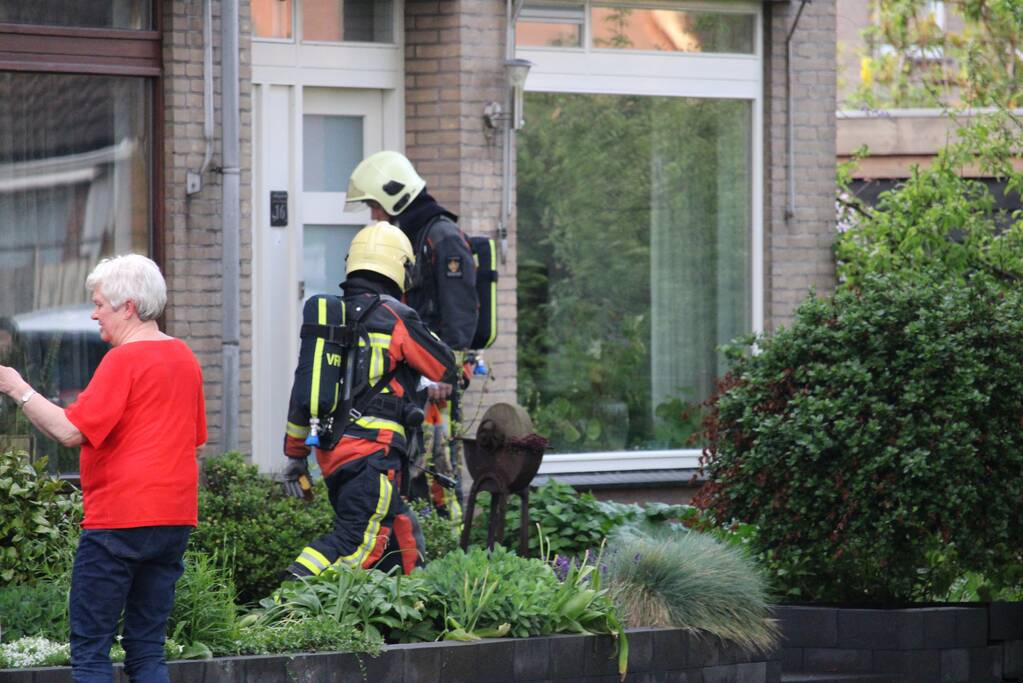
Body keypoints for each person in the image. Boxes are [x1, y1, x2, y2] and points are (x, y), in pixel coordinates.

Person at [0, 254, 206, 683]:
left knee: (91, 650)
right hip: (173, 518)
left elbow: (70, 431)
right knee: (148, 650)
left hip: (119, 520)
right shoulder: (184, 357)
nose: (94, 313)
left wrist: (16, 387)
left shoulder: (123, 360)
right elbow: (196, 438)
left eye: (99, 304)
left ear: (128, 306)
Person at [281, 221, 458, 577]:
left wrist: (296, 457)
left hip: (333, 454)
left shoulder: (333, 320)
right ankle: (288, 600)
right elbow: (443, 367)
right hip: (371, 455)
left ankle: (412, 606)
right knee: (358, 542)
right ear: (400, 268)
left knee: (403, 530)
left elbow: (304, 394)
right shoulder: (395, 317)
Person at [346, 150, 478, 520]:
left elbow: (460, 308)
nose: (373, 215)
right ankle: (415, 548)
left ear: (395, 195)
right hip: (413, 370)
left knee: (440, 467)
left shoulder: (442, 237)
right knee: (412, 464)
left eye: (375, 204)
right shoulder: (411, 235)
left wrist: (446, 370)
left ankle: (450, 547)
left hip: (437, 376)